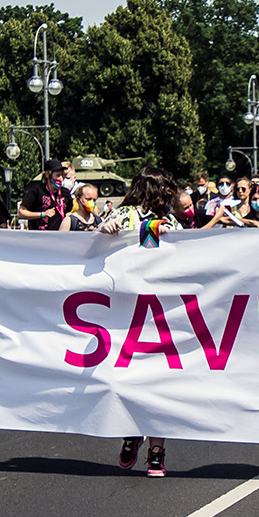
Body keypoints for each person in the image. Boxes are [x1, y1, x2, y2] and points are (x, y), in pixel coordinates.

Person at [98, 167, 182, 478]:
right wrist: (105, 229)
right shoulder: (124, 214)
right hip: (127, 314)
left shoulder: (172, 223)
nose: (170, 193)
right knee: (129, 380)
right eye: (166, 187)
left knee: (161, 383)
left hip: (161, 313)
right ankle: (132, 432)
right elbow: (94, 247)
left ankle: (157, 451)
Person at [18, 159, 73, 231]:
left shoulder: (65, 192)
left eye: (62, 175)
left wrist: (70, 215)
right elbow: (20, 213)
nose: (61, 179)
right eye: (58, 175)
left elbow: (71, 210)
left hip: (60, 236)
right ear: (48, 175)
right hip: (40, 236)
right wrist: (42, 214)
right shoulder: (36, 190)